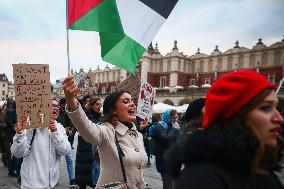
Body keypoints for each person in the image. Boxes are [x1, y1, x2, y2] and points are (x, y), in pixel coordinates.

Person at [165, 70, 284, 189]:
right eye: (265, 108)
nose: (279, 118)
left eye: (276, 107)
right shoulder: (202, 178)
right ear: (235, 116)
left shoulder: (259, 164)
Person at [63, 74, 148, 189]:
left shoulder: (137, 134)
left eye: (132, 101)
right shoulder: (107, 131)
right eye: (126, 101)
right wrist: (70, 100)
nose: (132, 104)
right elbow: (86, 127)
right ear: (114, 110)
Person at [11, 98, 71, 188]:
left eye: (57, 106)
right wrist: (20, 134)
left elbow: (65, 151)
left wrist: (55, 132)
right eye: (52, 105)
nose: (56, 108)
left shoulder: (59, 127)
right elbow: (18, 153)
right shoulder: (31, 126)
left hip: (52, 184)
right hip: (32, 185)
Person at [75, 97, 102, 189]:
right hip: (85, 149)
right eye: (97, 104)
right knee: (83, 175)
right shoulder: (85, 115)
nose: (99, 106)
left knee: (95, 177)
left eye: (100, 104)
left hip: (95, 150)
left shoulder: (101, 117)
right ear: (91, 105)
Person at [150, 109, 181, 189]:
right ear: (168, 116)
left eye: (176, 116)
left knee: (173, 184)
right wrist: (175, 129)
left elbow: (179, 140)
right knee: (169, 184)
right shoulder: (160, 126)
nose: (175, 119)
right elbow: (165, 139)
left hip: (173, 159)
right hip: (164, 160)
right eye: (173, 117)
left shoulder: (173, 125)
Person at [57, 98, 77, 188]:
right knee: (56, 159)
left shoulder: (69, 112)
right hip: (57, 139)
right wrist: (63, 129)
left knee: (69, 159)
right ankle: (54, 177)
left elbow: (72, 123)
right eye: (64, 105)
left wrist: (71, 129)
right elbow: (54, 125)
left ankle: (72, 179)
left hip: (66, 140)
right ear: (61, 105)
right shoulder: (57, 113)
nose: (65, 106)